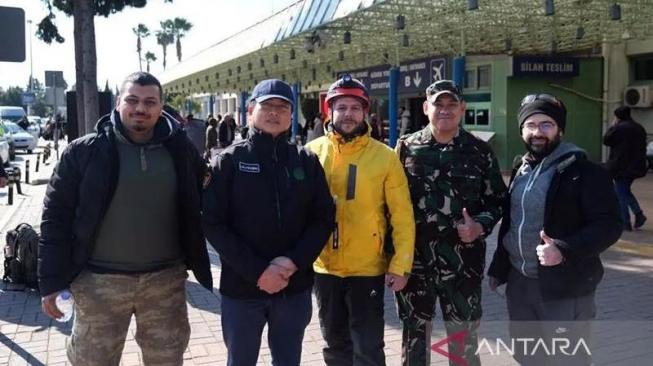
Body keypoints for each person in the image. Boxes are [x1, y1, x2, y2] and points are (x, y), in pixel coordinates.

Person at [38, 72, 213, 365]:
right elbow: (54, 219)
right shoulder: (84, 152)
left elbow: (206, 196)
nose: (140, 108)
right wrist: (50, 282)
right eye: (132, 100)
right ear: (118, 103)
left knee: (167, 360)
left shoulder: (180, 150)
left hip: (165, 283)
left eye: (149, 102)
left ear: (160, 107)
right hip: (98, 283)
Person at [202, 79, 335, 366]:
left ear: (291, 115)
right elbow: (212, 223)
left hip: (294, 287)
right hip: (242, 289)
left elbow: (323, 218)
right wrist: (259, 271)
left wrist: (292, 262)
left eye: (282, 107)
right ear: (251, 110)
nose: (275, 112)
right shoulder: (228, 161)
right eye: (268, 106)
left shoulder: (306, 161)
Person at [488, 93, 622, 366]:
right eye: (531, 125)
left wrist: (563, 249)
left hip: (566, 288)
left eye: (546, 124)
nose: (538, 132)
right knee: (528, 356)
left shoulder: (585, 172)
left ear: (560, 129)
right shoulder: (521, 169)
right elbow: (513, 223)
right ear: (521, 130)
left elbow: (609, 225)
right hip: (520, 285)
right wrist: (500, 268)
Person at [306, 74, 415, 366]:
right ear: (329, 111)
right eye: (341, 107)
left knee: (367, 346)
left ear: (365, 111)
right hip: (324, 267)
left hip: (367, 268)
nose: (348, 114)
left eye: (355, 107)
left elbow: (402, 215)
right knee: (334, 344)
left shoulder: (385, 157)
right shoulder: (310, 153)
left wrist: (401, 264)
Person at [395, 80, 507, 366]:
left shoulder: (480, 152)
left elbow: (497, 200)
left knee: (463, 344)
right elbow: (391, 207)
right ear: (425, 108)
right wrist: (392, 260)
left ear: (462, 108)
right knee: (415, 340)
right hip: (416, 265)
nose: (445, 110)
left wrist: (480, 225)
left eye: (451, 104)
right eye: (438, 104)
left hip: (462, 266)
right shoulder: (406, 149)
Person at [603, 106, 648, 231]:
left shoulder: (619, 128)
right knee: (624, 191)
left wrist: (612, 126)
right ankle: (639, 215)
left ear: (618, 117)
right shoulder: (639, 127)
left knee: (620, 194)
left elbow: (606, 140)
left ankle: (625, 222)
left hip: (621, 167)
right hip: (636, 166)